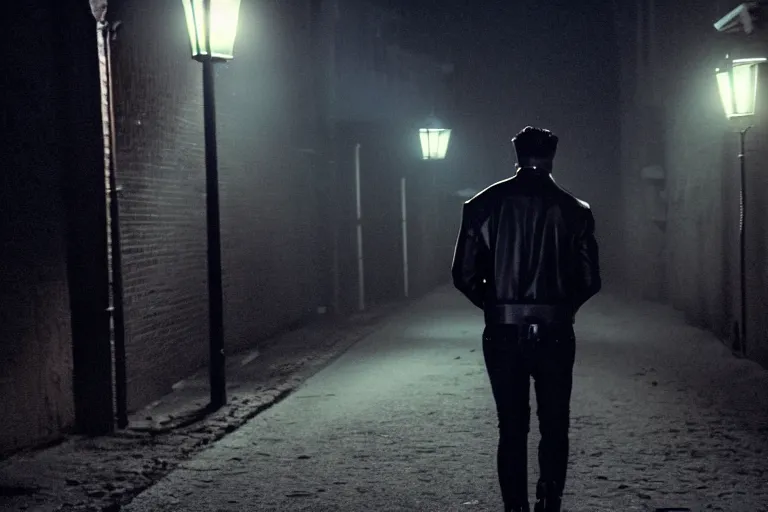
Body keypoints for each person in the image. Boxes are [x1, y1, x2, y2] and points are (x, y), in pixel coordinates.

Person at [451, 126, 601, 512]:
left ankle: (514, 505)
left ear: (516, 156)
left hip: (503, 331)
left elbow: (463, 275)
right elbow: (589, 280)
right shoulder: (575, 211)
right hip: (555, 331)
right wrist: (561, 308)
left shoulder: (482, 205)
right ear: (552, 156)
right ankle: (550, 497)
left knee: (511, 426)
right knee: (555, 422)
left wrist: (497, 305)